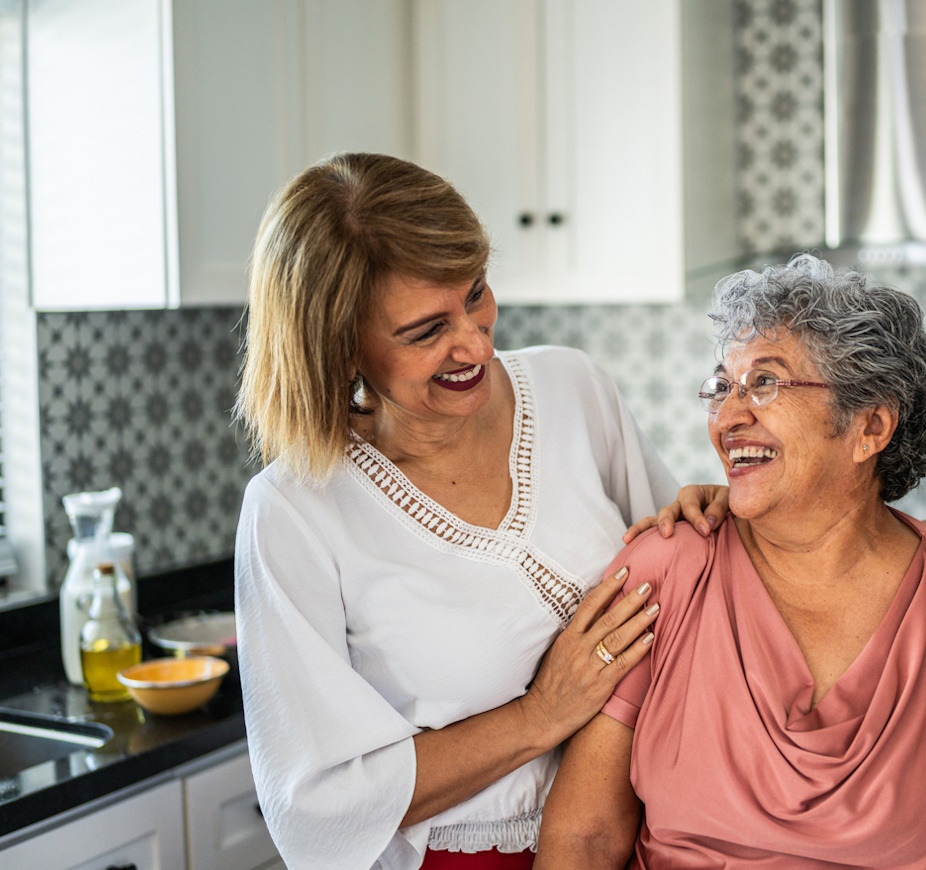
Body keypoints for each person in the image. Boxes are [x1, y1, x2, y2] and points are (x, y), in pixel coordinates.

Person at [232, 153, 724, 870]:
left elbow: (693, 597)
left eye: (477, 293)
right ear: (340, 350)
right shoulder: (293, 511)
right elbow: (315, 807)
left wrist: (704, 516)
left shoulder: (572, 388)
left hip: (636, 836)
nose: (473, 342)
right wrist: (538, 715)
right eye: (425, 331)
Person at [535, 254, 926, 869]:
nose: (728, 418)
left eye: (764, 383)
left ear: (871, 425)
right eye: (722, 387)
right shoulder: (668, 570)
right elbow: (585, 840)